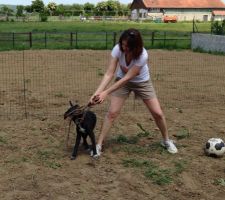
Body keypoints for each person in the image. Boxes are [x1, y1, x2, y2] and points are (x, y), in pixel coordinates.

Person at [89, 28, 178, 157]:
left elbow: (127, 78)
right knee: (112, 113)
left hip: (142, 82)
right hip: (121, 81)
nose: (124, 48)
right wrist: (97, 93)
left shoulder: (143, 55)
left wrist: (106, 93)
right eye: (122, 44)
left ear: (136, 46)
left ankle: (166, 140)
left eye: (127, 46)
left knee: (158, 113)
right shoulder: (117, 49)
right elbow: (109, 73)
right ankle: (98, 145)